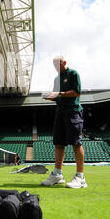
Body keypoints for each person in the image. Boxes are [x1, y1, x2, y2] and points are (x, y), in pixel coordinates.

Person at [41, 56, 88, 188]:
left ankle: (80, 177)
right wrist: (49, 96)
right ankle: (57, 175)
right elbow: (57, 96)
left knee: (76, 143)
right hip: (60, 113)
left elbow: (76, 92)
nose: (56, 66)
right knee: (58, 144)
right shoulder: (57, 78)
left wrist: (59, 93)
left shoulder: (73, 74)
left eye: (58, 63)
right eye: (54, 64)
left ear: (64, 63)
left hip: (73, 112)